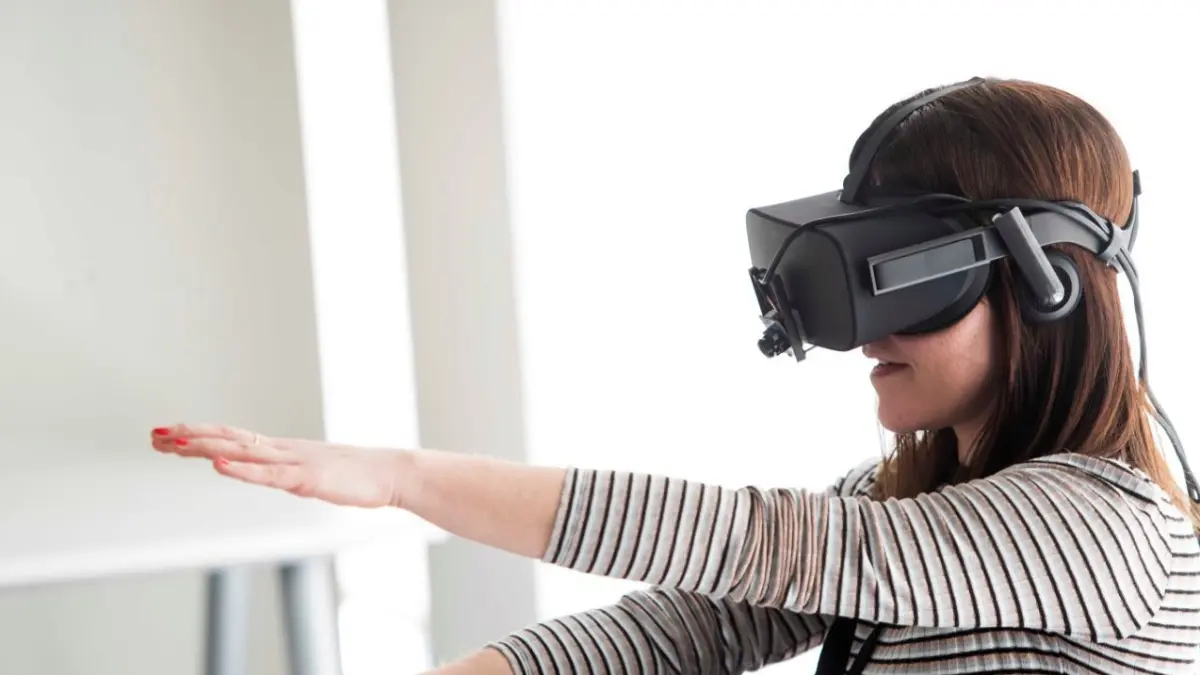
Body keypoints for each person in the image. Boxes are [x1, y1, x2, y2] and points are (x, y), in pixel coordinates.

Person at [150, 78, 1200, 674]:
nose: (865, 339)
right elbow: (686, 626)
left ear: (1043, 286)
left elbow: (758, 544)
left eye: (910, 286)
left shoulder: (1102, 525)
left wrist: (404, 477)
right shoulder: (895, 499)